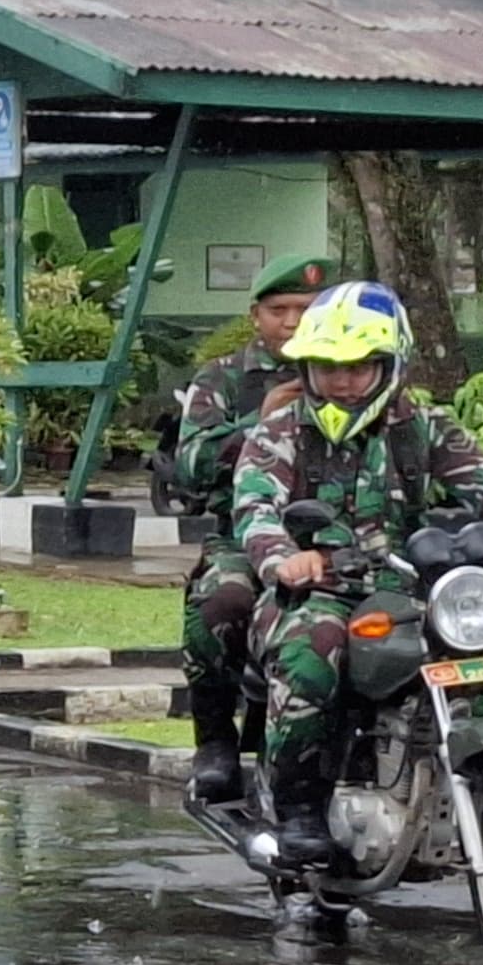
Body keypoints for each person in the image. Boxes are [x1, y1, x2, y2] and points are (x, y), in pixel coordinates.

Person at [231, 282, 483, 871]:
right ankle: (299, 814)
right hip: (315, 590)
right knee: (311, 652)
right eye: (328, 368)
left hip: (406, 585)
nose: (343, 381)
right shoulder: (280, 432)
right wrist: (284, 556)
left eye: (359, 368)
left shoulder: (421, 425)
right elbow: (255, 507)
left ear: (389, 366)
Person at [168, 258, 338, 803]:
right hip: (244, 533)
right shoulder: (223, 377)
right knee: (223, 598)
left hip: (341, 538)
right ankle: (215, 741)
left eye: (305, 311)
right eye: (278, 310)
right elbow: (190, 467)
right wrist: (257, 420)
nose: (291, 323)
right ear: (255, 315)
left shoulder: (350, 369)